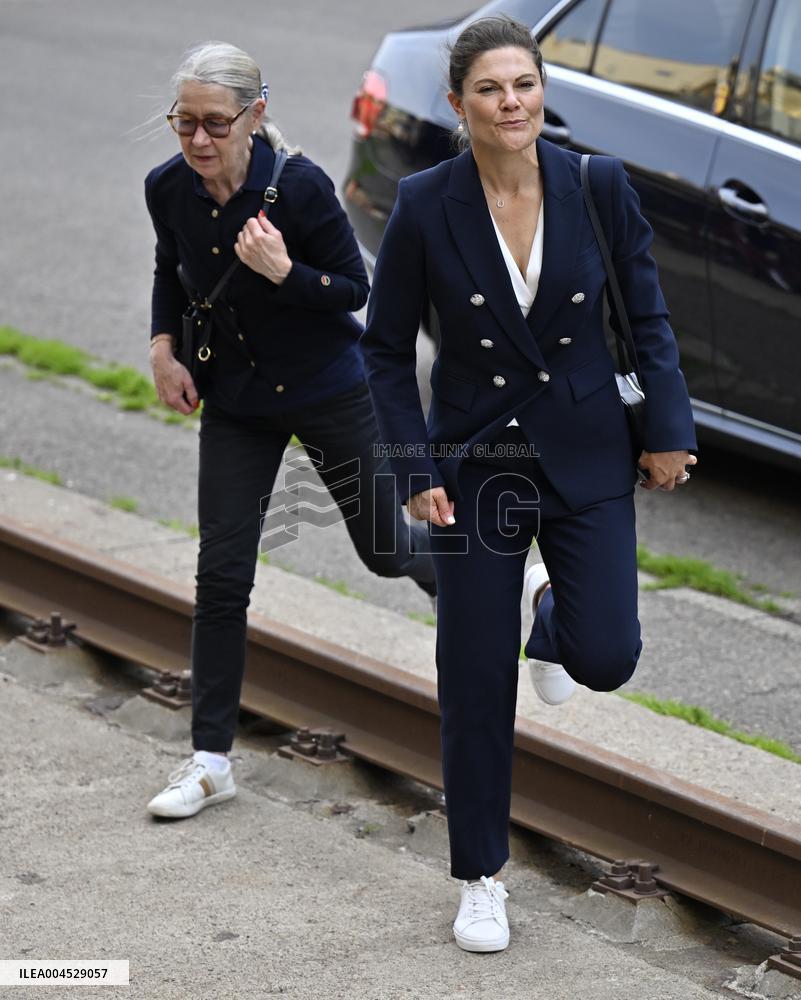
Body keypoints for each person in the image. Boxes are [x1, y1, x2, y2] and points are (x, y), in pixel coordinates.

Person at [360, 16, 697, 953]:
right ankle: (479, 876)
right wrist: (414, 469)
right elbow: (384, 350)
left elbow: (648, 314)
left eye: (523, 85)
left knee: (604, 657)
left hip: (587, 452)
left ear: (540, 91)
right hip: (478, 465)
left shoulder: (596, 184)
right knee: (472, 677)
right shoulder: (427, 202)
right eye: (489, 89)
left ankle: (551, 609)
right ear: (459, 102)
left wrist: (667, 430)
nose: (510, 104)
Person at [144, 42, 436, 820]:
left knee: (385, 552)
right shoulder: (167, 189)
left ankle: (479, 583)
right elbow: (167, 270)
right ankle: (210, 761)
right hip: (237, 404)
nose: (199, 141)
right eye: (185, 125)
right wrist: (162, 348)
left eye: (215, 123)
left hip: (327, 393)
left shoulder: (299, 190)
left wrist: (284, 274)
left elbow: (353, 290)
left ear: (254, 114)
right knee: (222, 572)